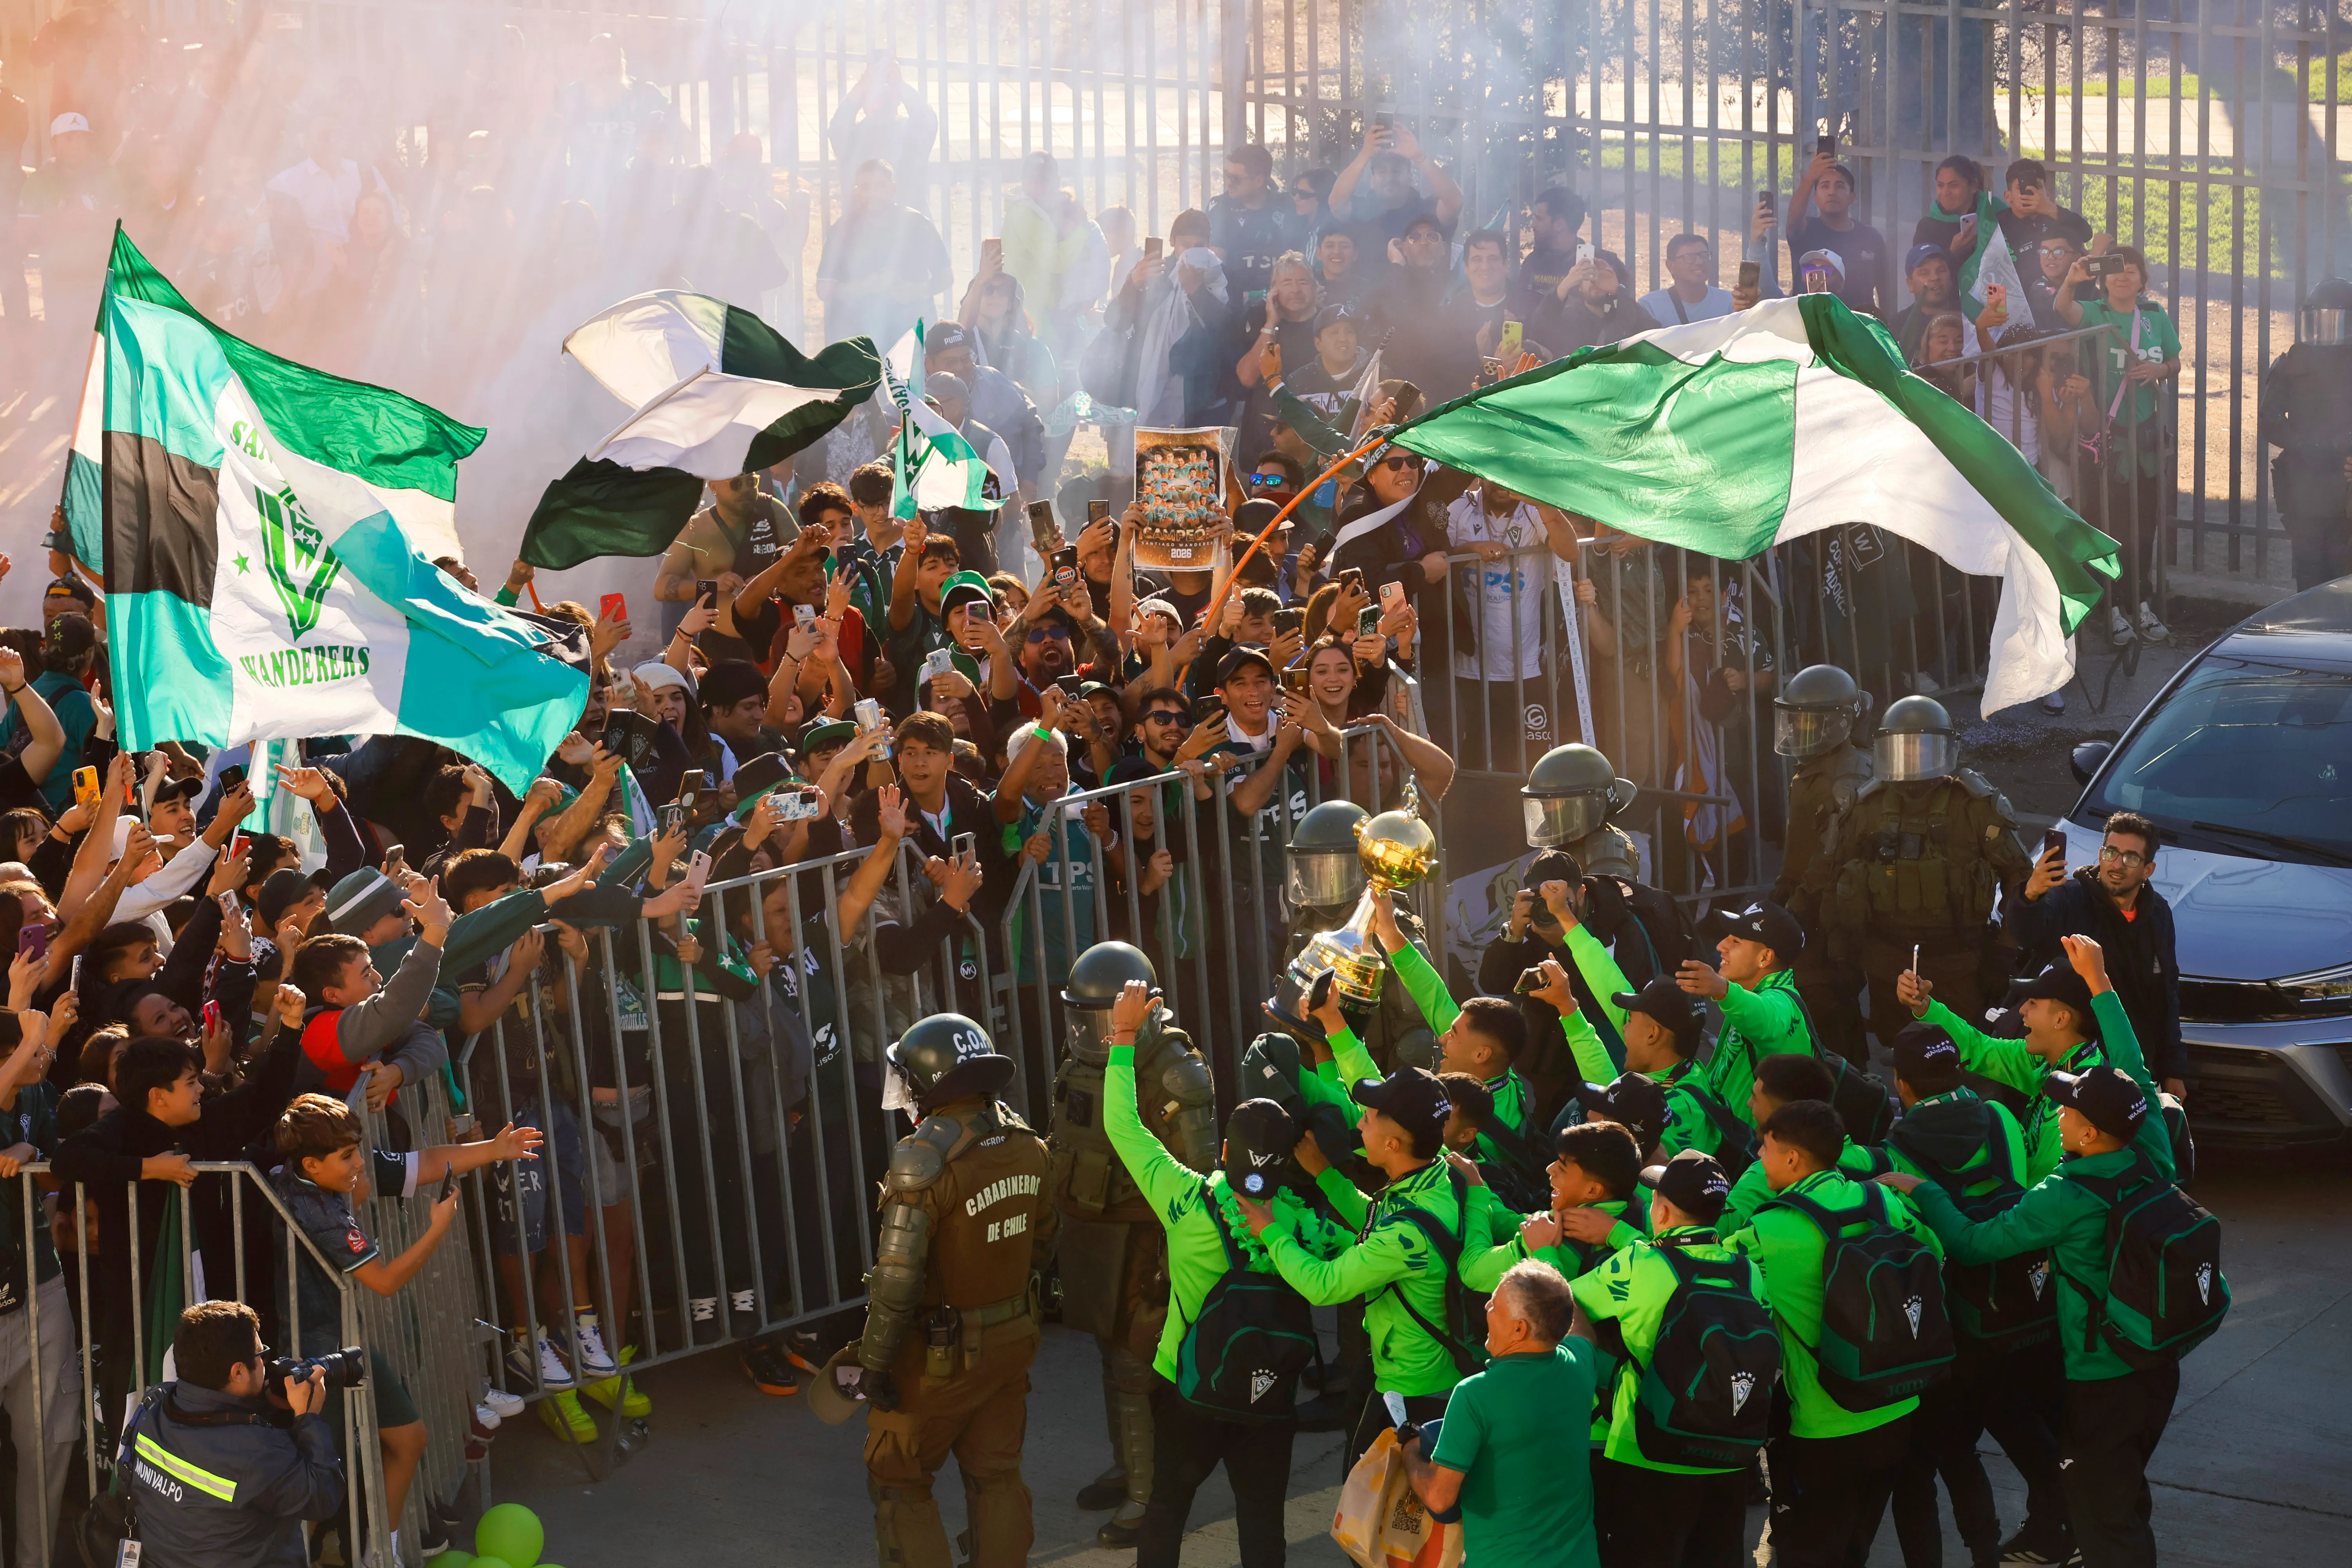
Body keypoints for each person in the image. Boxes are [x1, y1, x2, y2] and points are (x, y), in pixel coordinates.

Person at [1879, 935, 2224, 1568]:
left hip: (2099, 1369)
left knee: (2102, 1514)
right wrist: (2099, 984)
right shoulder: (2145, 1143)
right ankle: (2064, 1532)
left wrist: (1924, 1190)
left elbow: (1975, 1242)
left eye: (2067, 1109)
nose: (2054, 1109)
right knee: (2118, 1496)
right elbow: (2134, 1071)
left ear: (2090, 1131)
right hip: (2154, 1360)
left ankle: (2070, 1539)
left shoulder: (2067, 1190)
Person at [1099, 978, 1350, 1568]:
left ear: (1224, 1152)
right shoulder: (1303, 1220)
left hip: (1187, 1388)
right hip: (1272, 1395)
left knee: (1166, 1510)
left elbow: (1123, 1127)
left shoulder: (1187, 1199)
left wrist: (1124, 1036)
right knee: (1262, 1523)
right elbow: (1365, 1244)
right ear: (1290, 1156)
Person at [269, 1092, 544, 1555]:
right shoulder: (321, 1214)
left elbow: (424, 1163)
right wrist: (437, 1228)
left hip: (344, 1346)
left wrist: (495, 1149)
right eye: (348, 1156)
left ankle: (383, 1551)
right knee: (315, 1494)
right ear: (312, 1166)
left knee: (410, 1438)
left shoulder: (304, 1171)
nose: (360, 1162)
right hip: (315, 1361)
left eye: (358, 1150)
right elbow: (385, 1281)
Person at [827, 1013, 1053, 1568]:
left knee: (898, 1481)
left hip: (938, 1361)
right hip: (1010, 1343)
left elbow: (898, 1285)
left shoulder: (923, 1158)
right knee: (996, 1476)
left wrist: (875, 1366)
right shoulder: (1029, 1144)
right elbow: (1043, 1247)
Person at [1878, 1022, 2073, 1568]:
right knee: (2019, 1421)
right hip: (2025, 1307)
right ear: (1957, 1071)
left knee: (1946, 1450)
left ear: (1902, 1083)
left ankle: (1983, 1553)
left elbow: (1910, 1236)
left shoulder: (1896, 1150)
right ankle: (2065, 1525)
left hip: (1954, 1323)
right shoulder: (2000, 1117)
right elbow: (2028, 1193)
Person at [1723, 1098, 1947, 1568]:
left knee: (1810, 1550)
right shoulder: (1882, 1198)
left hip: (1826, 1422)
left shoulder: (1766, 1229)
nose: (1758, 1160)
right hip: (1897, 1404)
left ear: (1791, 1157)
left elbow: (1708, 1287)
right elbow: (1936, 1255)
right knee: (1854, 1548)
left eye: (1764, 1149)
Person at [1045, 942, 1216, 1548]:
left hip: (1148, 1242)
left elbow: (1201, 1186)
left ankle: (1148, 1496)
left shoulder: (1175, 1071)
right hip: (1092, 1236)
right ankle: (1129, 1471)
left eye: (1109, 1015)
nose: (1098, 1032)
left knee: (1136, 1369)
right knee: (1108, 1358)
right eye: (1086, 1017)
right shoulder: (1080, 1060)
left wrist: (1177, 1265)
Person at [1236, 1063, 1485, 1461]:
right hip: (1410, 1373)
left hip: (1416, 1391)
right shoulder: (1438, 1176)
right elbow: (1381, 1218)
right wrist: (1326, 1175)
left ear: (1393, 1144)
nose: (1359, 1123)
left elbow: (1325, 1285)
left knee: (1375, 1510)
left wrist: (1268, 1228)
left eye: (1368, 1118)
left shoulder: (1407, 1234)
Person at [1568, 1149, 1772, 1568]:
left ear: (1660, 1210)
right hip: (1727, 1449)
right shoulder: (1746, 1270)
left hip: (1648, 1448)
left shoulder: (1640, 1263)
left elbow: (1562, 1300)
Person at [1820, 695, 2031, 1054]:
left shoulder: (1974, 807)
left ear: (1946, 750)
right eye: (1903, 749)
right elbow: (1834, 879)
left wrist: (2005, 953)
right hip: (1887, 962)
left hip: (1959, 964)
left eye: (1923, 748)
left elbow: (2019, 876)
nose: (1913, 759)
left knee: (1962, 1053)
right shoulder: (1866, 808)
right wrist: (1841, 955)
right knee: (1899, 1052)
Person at [1400, 1260, 1601, 1568]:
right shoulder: (1579, 1365)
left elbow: (1440, 1498)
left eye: (1494, 1304)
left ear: (1519, 1329)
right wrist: (1553, 1284)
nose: (1486, 1307)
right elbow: (1584, 1331)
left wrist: (1410, 1452)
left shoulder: (1475, 1394)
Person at [117, 1300, 344, 1568]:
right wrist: (309, 1417)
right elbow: (323, 1497)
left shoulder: (155, 1406)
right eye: (261, 1356)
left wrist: (265, 1405)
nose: (265, 1363)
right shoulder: (257, 1450)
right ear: (238, 1372)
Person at [2009, 809, 2185, 1099]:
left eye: (2130, 858)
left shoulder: (2158, 915)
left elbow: (2167, 994)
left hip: (2128, 1065)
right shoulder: (2069, 898)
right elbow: (2027, 934)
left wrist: (2173, 1068)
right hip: (2068, 1067)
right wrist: (2030, 895)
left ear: (2148, 870)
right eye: (2110, 852)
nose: (2116, 864)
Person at [2054, 243, 2180, 648]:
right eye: (2115, 271)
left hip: (2146, 440)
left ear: (2143, 280)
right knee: (2108, 528)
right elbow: (2063, 309)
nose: (2124, 277)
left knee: (2144, 529)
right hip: (2108, 442)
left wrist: (2161, 369)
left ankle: (2139, 604)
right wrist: (2072, 280)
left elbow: (2175, 362)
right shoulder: (2095, 314)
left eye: (2132, 271)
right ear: (2103, 280)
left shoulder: (2156, 317)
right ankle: (2110, 609)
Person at [1767, 664, 1875, 1068]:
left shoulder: (1845, 776)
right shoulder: (1816, 769)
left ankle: (1847, 1087)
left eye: (1809, 723)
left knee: (1827, 1001)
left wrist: (1789, 910)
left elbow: (1828, 861)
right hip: (1808, 906)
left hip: (1827, 916)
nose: (1797, 731)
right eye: (1793, 720)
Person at [1445, 479, 1579, 770]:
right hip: (1470, 669)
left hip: (1525, 669)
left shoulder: (1534, 510)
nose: (1501, 485)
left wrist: (1543, 502)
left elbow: (1571, 551)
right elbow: (1437, 558)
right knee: (1474, 764)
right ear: (1481, 476)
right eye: (1493, 477)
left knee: (1527, 766)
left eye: (1507, 475)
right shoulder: (1461, 508)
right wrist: (1471, 548)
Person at [1677, 899, 1813, 1131]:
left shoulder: (1783, 1003)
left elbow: (1765, 1016)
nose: (1721, 946)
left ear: (1765, 958)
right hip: (1730, 1140)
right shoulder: (1751, 991)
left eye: (1735, 941)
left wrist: (1723, 990)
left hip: (1750, 1155)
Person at [2259, 275, 2352, 589]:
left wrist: (2338, 444)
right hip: (2305, 482)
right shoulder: (2294, 360)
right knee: (2310, 574)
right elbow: (2268, 417)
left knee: (2344, 573)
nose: (2327, 329)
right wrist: (2304, 445)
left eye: (2336, 320)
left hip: (2347, 481)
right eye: (2319, 320)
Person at [816, 158, 951, 347]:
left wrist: (917, 290)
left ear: (893, 189)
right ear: (857, 192)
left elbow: (946, 276)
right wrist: (864, 287)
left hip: (911, 331)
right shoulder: (842, 231)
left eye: (880, 186)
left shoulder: (918, 224)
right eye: (866, 187)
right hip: (859, 336)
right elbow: (823, 290)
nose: (873, 194)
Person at [1326, 120, 1464, 265]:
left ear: (1410, 177)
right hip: (1365, 287)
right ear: (1372, 179)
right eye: (1382, 171)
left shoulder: (1426, 211)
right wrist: (1365, 154)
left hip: (1424, 287)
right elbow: (1336, 203)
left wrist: (1419, 157)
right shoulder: (1361, 210)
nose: (1390, 178)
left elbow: (1455, 203)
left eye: (1397, 171)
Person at [1786, 149, 1893, 318]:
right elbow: (1792, 221)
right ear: (1815, 197)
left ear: (1853, 197)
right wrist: (1809, 178)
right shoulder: (1805, 232)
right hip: (1810, 328)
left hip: (1858, 331)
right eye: (1824, 186)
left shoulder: (1871, 238)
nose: (1832, 192)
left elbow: (1886, 292)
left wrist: (1888, 329)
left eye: (1840, 186)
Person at [1208, 142, 1291, 303]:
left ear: (1259, 181)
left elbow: (1298, 259)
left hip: (1283, 300)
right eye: (1228, 175)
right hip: (1235, 301)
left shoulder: (1285, 205)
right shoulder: (1220, 207)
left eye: (1236, 178)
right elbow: (1217, 270)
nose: (1229, 183)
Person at [1637, 231, 1736, 325]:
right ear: (1671, 266)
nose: (1699, 262)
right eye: (1689, 257)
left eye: (1704, 255)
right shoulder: (1650, 306)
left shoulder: (1729, 303)